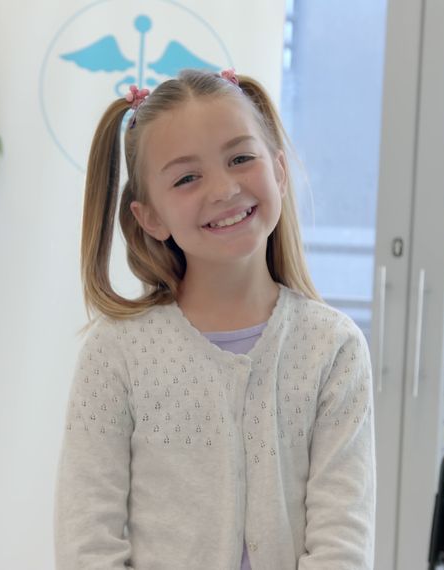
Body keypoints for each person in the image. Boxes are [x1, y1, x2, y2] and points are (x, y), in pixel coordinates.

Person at [54, 68, 376, 569]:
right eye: (186, 177)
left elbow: (343, 540)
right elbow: (87, 539)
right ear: (150, 218)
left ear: (280, 171)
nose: (225, 188)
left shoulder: (332, 347)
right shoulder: (117, 351)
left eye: (241, 158)